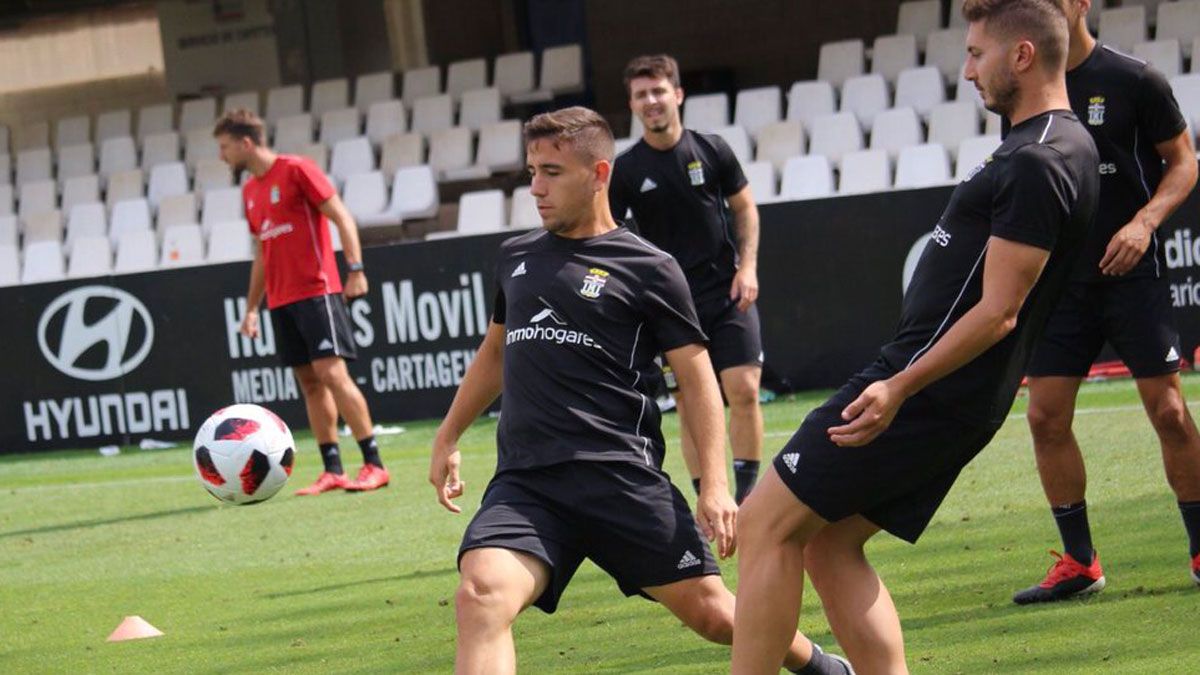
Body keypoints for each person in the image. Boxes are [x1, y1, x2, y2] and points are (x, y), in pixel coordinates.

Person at [730, 2, 1100, 672]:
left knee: (765, 522)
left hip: (923, 387)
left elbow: (998, 312)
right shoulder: (1057, 144)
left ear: (1021, 54)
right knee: (828, 541)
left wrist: (897, 386)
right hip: (944, 390)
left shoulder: (1038, 159)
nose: (965, 71)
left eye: (976, 53)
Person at [430, 107, 849, 675]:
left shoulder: (651, 267)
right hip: (528, 486)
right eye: (531, 171)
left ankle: (819, 666)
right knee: (480, 595)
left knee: (715, 617)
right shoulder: (516, 256)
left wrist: (716, 487)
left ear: (599, 174)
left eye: (551, 172)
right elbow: (496, 354)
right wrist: (448, 435)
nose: (535, 188)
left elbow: (698, 378)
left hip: (620, 480)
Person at [1012, 0, 1200, 604]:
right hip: (1061, 283)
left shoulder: (1135, 79)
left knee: (1169, 412)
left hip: (1131, 274)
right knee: (1044, 417)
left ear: (1081, 4)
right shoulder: (1026, 84)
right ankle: (1080, 562)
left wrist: (1144, 223)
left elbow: (1184, 163)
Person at [610, 54, 765, 504]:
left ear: (677, 94)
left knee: (744, 388)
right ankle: (710, 500)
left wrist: (749, 266)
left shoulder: (712, 149)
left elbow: (745, 208)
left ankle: (749, 494)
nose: (651, 100)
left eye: (659, 91)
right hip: (671, 308)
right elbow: (612, 237)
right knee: (691, 406)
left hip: (726, 292)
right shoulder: (625, 170)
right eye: (642, 95)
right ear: (633, 104)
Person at [213, 110, 390, 495]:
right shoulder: (249, 192)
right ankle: (333, 469)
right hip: (280, 299)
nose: (221, 156)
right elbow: (262, 253)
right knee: (310, 383)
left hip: (317, 289)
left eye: (224, 147)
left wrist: (355, 268)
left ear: (245, 143)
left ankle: (374, 464)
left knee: (332, 373)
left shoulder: (297, 170)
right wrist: (251, 308)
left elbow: (342, 217)